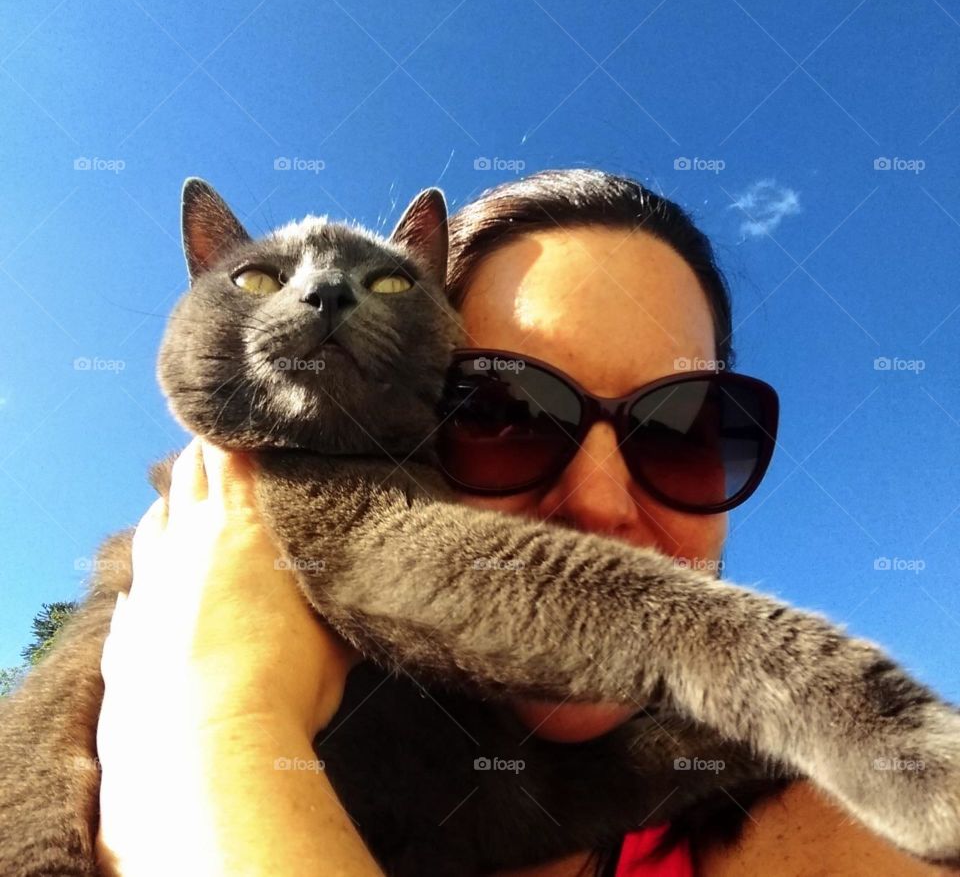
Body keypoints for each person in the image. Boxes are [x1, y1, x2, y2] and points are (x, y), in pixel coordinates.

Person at [95, 170, 949, 877]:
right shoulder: (256, 513)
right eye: (505, 410)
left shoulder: (814, 838)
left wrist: (213, 722)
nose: (601, 504)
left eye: (683, 426)